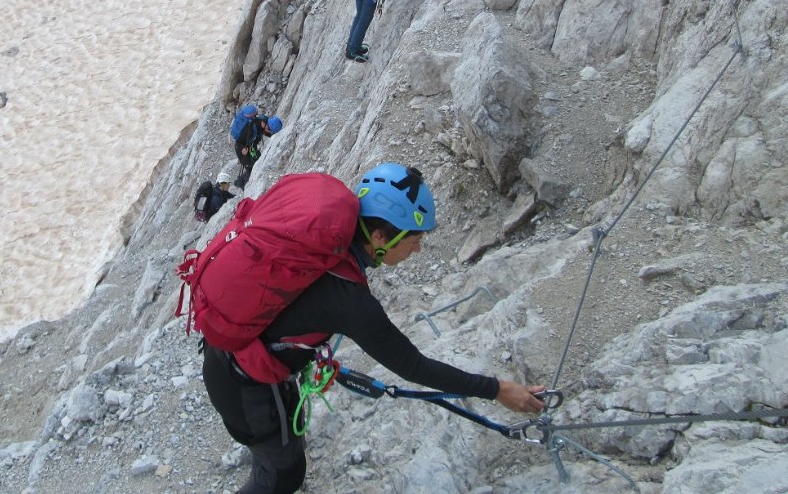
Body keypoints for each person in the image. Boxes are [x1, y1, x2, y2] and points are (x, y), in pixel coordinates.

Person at [201, 163, 545, 494]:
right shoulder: (351, 301)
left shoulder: (326, 244)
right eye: (412, 241)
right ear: (379, 237)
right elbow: (414, 366)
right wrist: (497, 389)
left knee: (284, 445)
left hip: (234, 355)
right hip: (246, 386)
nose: (418, 248)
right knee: (285, 476)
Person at [233, 113, 283, 189]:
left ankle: (242, 180)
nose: (270, 132)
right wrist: (242, 149)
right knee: (249, 166)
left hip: (251, 146)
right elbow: (238, 142)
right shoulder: (250, 130)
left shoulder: (265, 122)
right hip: (242, 148)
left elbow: (266, 133)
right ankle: (242, 184)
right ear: (264, 124)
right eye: (270, 130)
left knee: (255, 162)